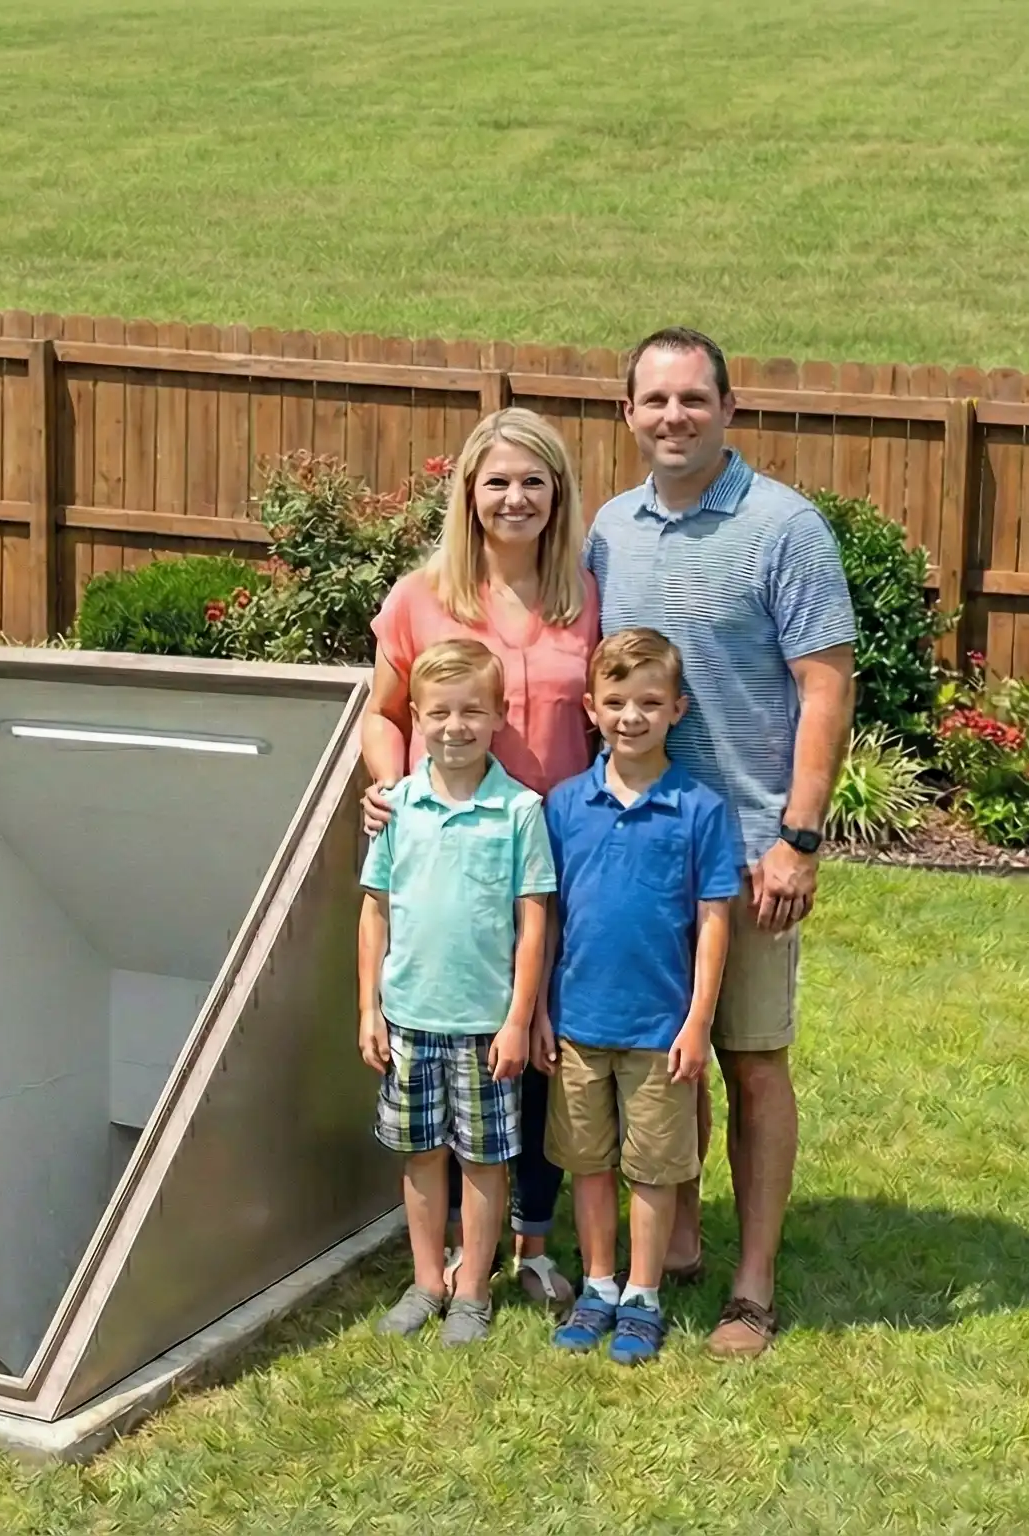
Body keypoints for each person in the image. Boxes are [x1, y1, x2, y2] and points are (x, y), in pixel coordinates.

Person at [587, 326, 856, 1359]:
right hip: (640, 847)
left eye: (690, 399)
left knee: (747, 1060)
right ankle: (680, 1238)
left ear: (727, 409)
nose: (671, 417)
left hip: (746, 850)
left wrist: (797, 836)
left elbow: (823, 686)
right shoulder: (609, 529)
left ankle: (751, 1284)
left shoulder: (784, 528)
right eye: (651, 401)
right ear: (626, 414)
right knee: (666, 1056)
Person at [362, 406, 597, 1315]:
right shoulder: (422, 596)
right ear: (469, 492)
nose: (514, 498)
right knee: (460, 1035)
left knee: (534, 1039)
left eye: (533, 481)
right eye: (496, 481)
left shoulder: (585, 595)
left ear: (557, 494)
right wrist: (387, 788)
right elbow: (384, 714)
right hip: (449, 852)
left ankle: (534, 1243)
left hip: (551, 851)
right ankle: (458, 1252)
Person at [542, 629, 743, 1366]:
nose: (632, 716)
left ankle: (645, 1295)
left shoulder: (700, 810)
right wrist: (538, 1011)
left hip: (661, 1028)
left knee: (654, 1167)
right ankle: (598, 1285)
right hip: (577, 1022)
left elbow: (716, 920)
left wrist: (697, 1019)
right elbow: (548, 916)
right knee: (589, 1164)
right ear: (591, 708)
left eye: (650, 702)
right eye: (617, 701)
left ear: (677, 710)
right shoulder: (565, 807)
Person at [356, 639, 556, 1345]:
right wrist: (369, 1009)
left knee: (482, 1158)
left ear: (500, 715)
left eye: (473, 711)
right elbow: (375, 909)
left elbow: (533, 924)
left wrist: (517, 1018)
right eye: (438, 712)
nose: (455, 726)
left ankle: (472, 1288)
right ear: (415, 718)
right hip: (409, 1018)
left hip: (483, 1024)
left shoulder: (519, 812)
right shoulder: (397, 808)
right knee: (420, 1154)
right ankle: (424, 1280)